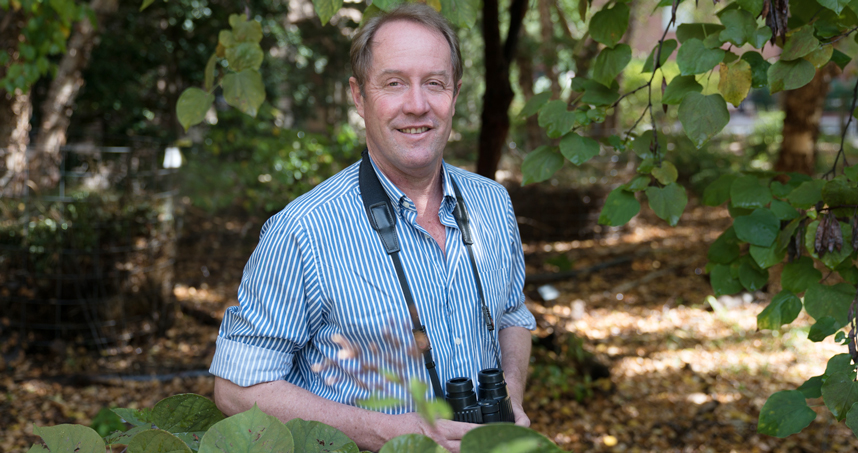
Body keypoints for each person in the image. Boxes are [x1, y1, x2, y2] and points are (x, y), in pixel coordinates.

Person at [209, 4, 536, 452]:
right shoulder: (301, 230)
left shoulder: (493, 204)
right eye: (394, 83)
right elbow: (235, 388)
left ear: (455, 94)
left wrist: (510, 399)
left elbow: (513, 317)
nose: (417, 105)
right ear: (359, 96)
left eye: (434, 83)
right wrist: (380, 432)